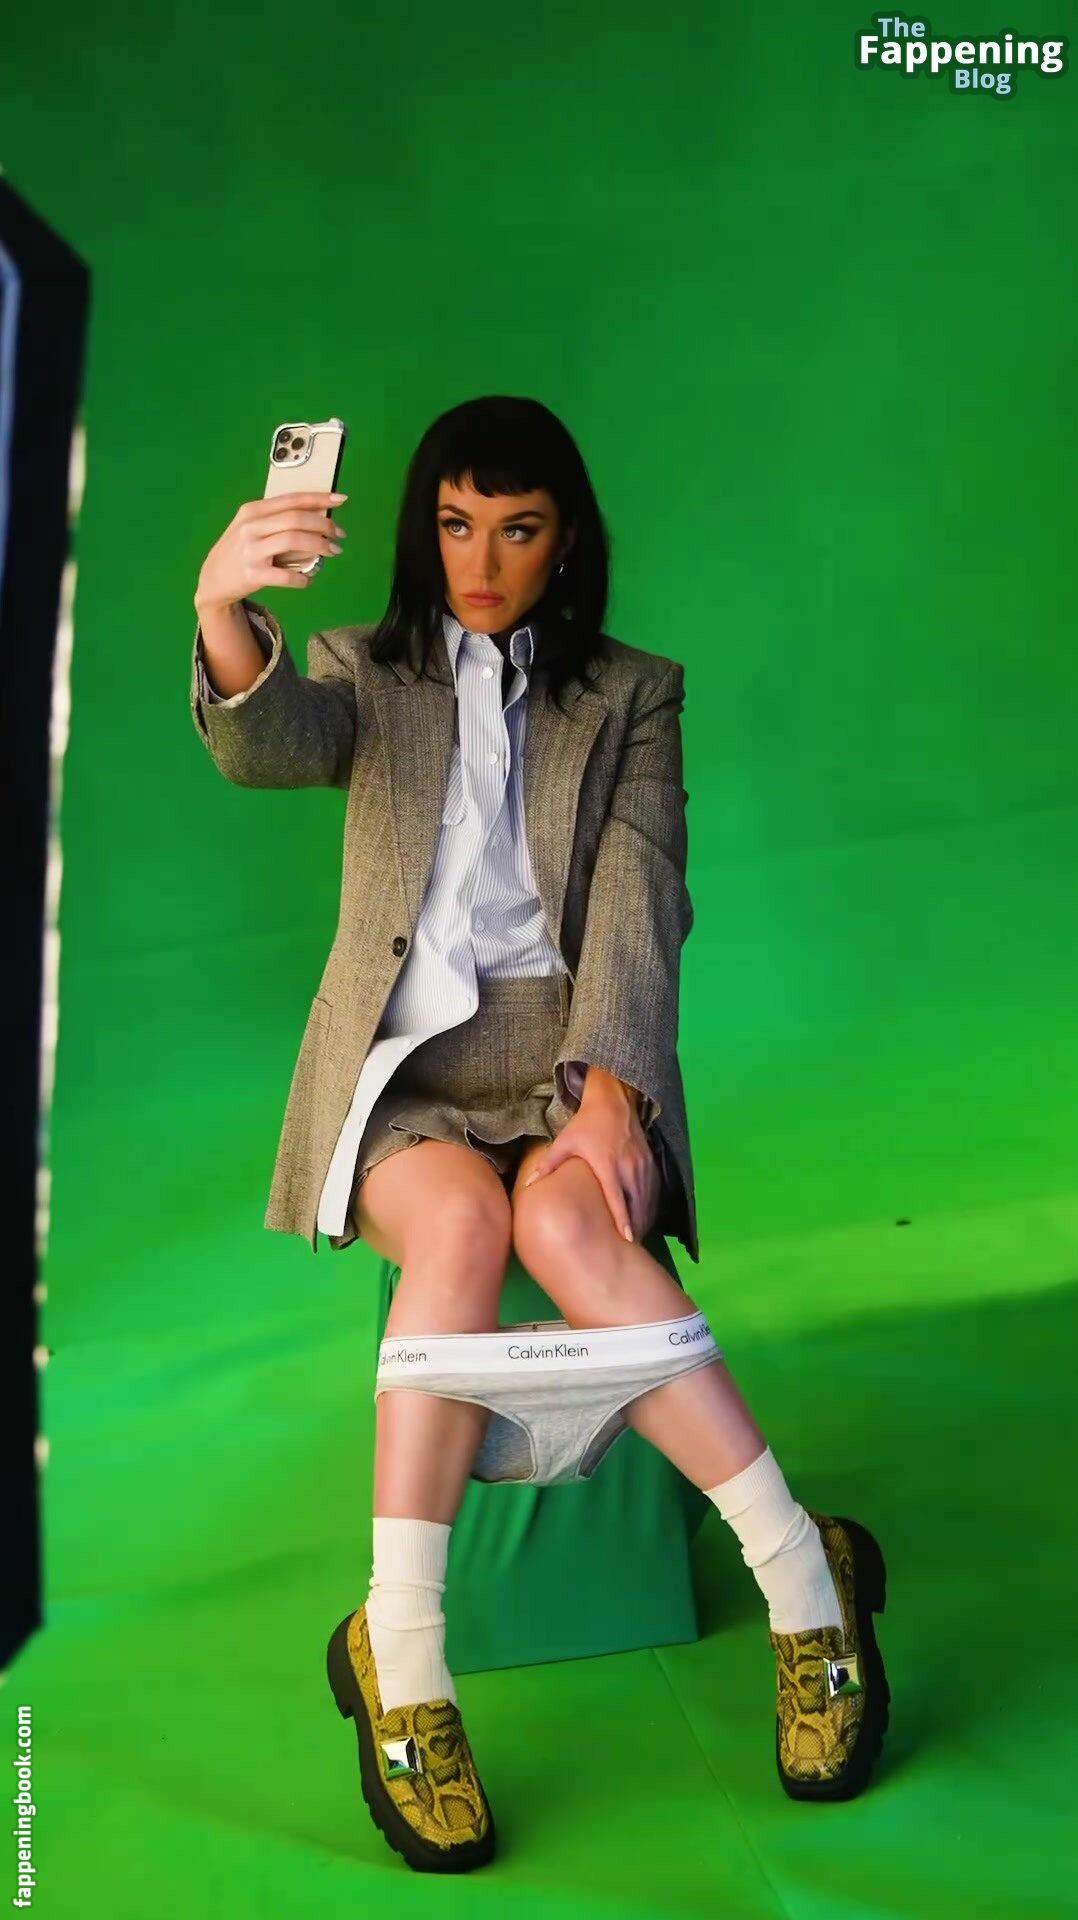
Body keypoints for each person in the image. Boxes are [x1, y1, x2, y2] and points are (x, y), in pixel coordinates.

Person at [190, 394, 890, 1874]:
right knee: (457, 1226)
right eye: (456, 526)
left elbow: (641, 891)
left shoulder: (633, 692)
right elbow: (267, 747)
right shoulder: (362, 671)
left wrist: (614, 1087)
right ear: (421, 529)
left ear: (566, 539)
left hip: (571, 1055)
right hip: (411, 1071)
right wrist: (223, 610)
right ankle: (406, 1661)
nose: (482, 560)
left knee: (568, 1225)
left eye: (517, 529)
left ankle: (805, 1588)